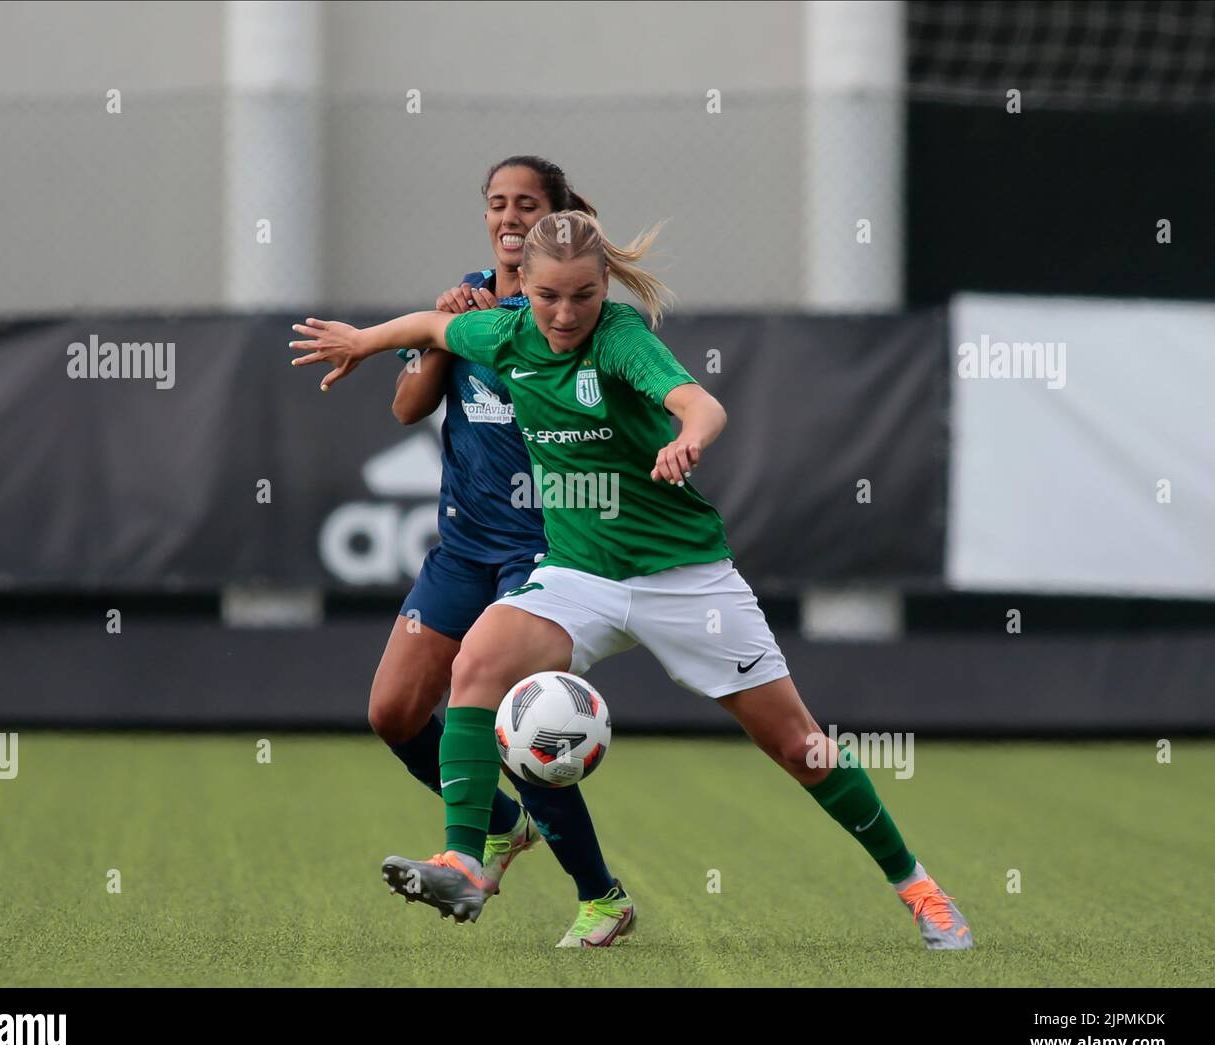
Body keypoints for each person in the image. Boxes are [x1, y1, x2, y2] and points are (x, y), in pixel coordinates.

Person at [290, 210, 974, 950]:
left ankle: (918, 886)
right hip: (579, 574)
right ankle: (464, 857)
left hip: (685, 580)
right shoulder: (508, 334)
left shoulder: (620, 339)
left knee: (799, 745)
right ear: (529, 287)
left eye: (581, 295)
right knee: (477, 660)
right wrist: (361, 341)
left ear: (604, 283)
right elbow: (431, 327)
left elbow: (700, 403)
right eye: (548, 295)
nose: (563, 312)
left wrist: (688, 438)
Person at [348, 158, 634, 948]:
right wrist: (448, 332)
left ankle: (598, 895)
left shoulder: (571, 308)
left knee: (523, 728)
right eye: (497, 204)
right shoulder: (466, 299)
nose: (509, 217)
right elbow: (408, 405)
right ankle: (504, 826)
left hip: (542, 554)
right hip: (463, 547)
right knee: (394, 712)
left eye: (527, 204)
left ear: (556, 214)